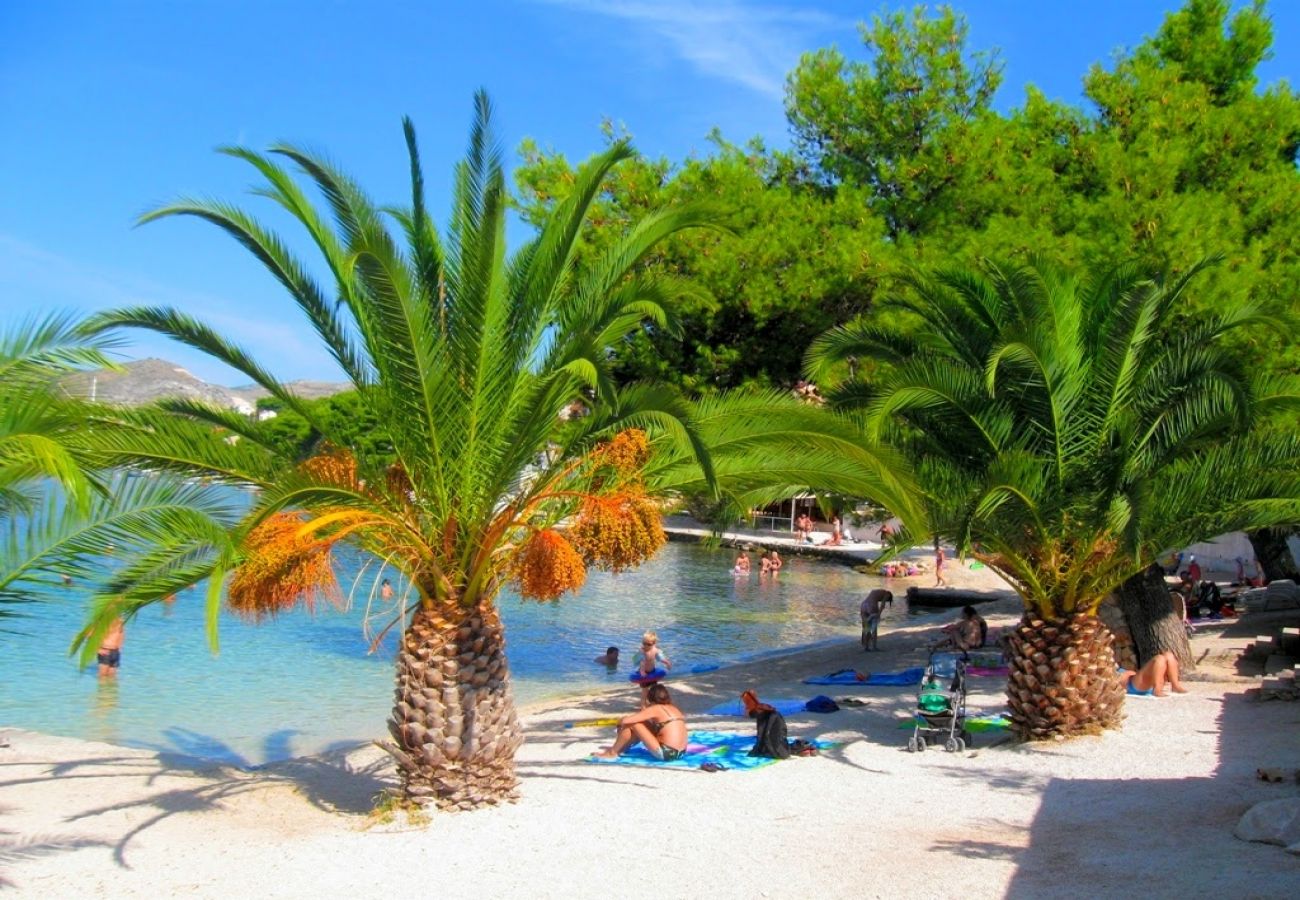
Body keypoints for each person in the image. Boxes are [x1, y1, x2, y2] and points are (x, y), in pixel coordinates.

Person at [593, 683, 688, 760]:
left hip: (667, 753)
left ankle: (612, 753)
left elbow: (626, 721)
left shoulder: (655, 708)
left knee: (632, 724)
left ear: (650, 698)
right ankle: (620, 749)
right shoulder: (673, 708)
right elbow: (646, 720)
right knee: (643, 724)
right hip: (681, 753)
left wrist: (619, 723)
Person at [1118, 650, 1189, 697]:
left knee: (1169, 655)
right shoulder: (1113, 673)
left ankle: (1175, 686)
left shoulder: (1114, 668)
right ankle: (1157, 689)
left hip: (1137, 680)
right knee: (1159, 658)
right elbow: (1120, 680)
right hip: (1132, 685)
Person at [633, 630, 672, 704]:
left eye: (648, 644)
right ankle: (643, 705)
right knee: (645, 691)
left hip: (652, 672)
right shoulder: (642, 651)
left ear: (654, 644)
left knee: (655, 689)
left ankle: (654, 701)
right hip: (643, 673)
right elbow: (641, 662)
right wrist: (642, 671)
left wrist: (667, 663)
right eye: (644, 643)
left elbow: (661, 658)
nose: (646, 646)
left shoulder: (655, 650)